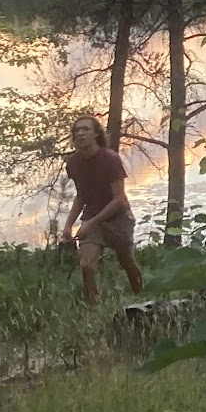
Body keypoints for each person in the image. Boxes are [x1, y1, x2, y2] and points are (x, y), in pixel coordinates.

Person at [60, 113, 144, 303]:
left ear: (96, 134)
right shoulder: (72, 163)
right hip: (92, 218)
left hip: (118, 217)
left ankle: (141, 296)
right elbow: (82, 195)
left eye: (85, 129)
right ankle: (93, 306)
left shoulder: (110, 159)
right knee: (86, 265)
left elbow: (119, 198)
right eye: (77, 130)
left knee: (126, 262)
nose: (80, 133)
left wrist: (90, 223)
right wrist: (68, 225)